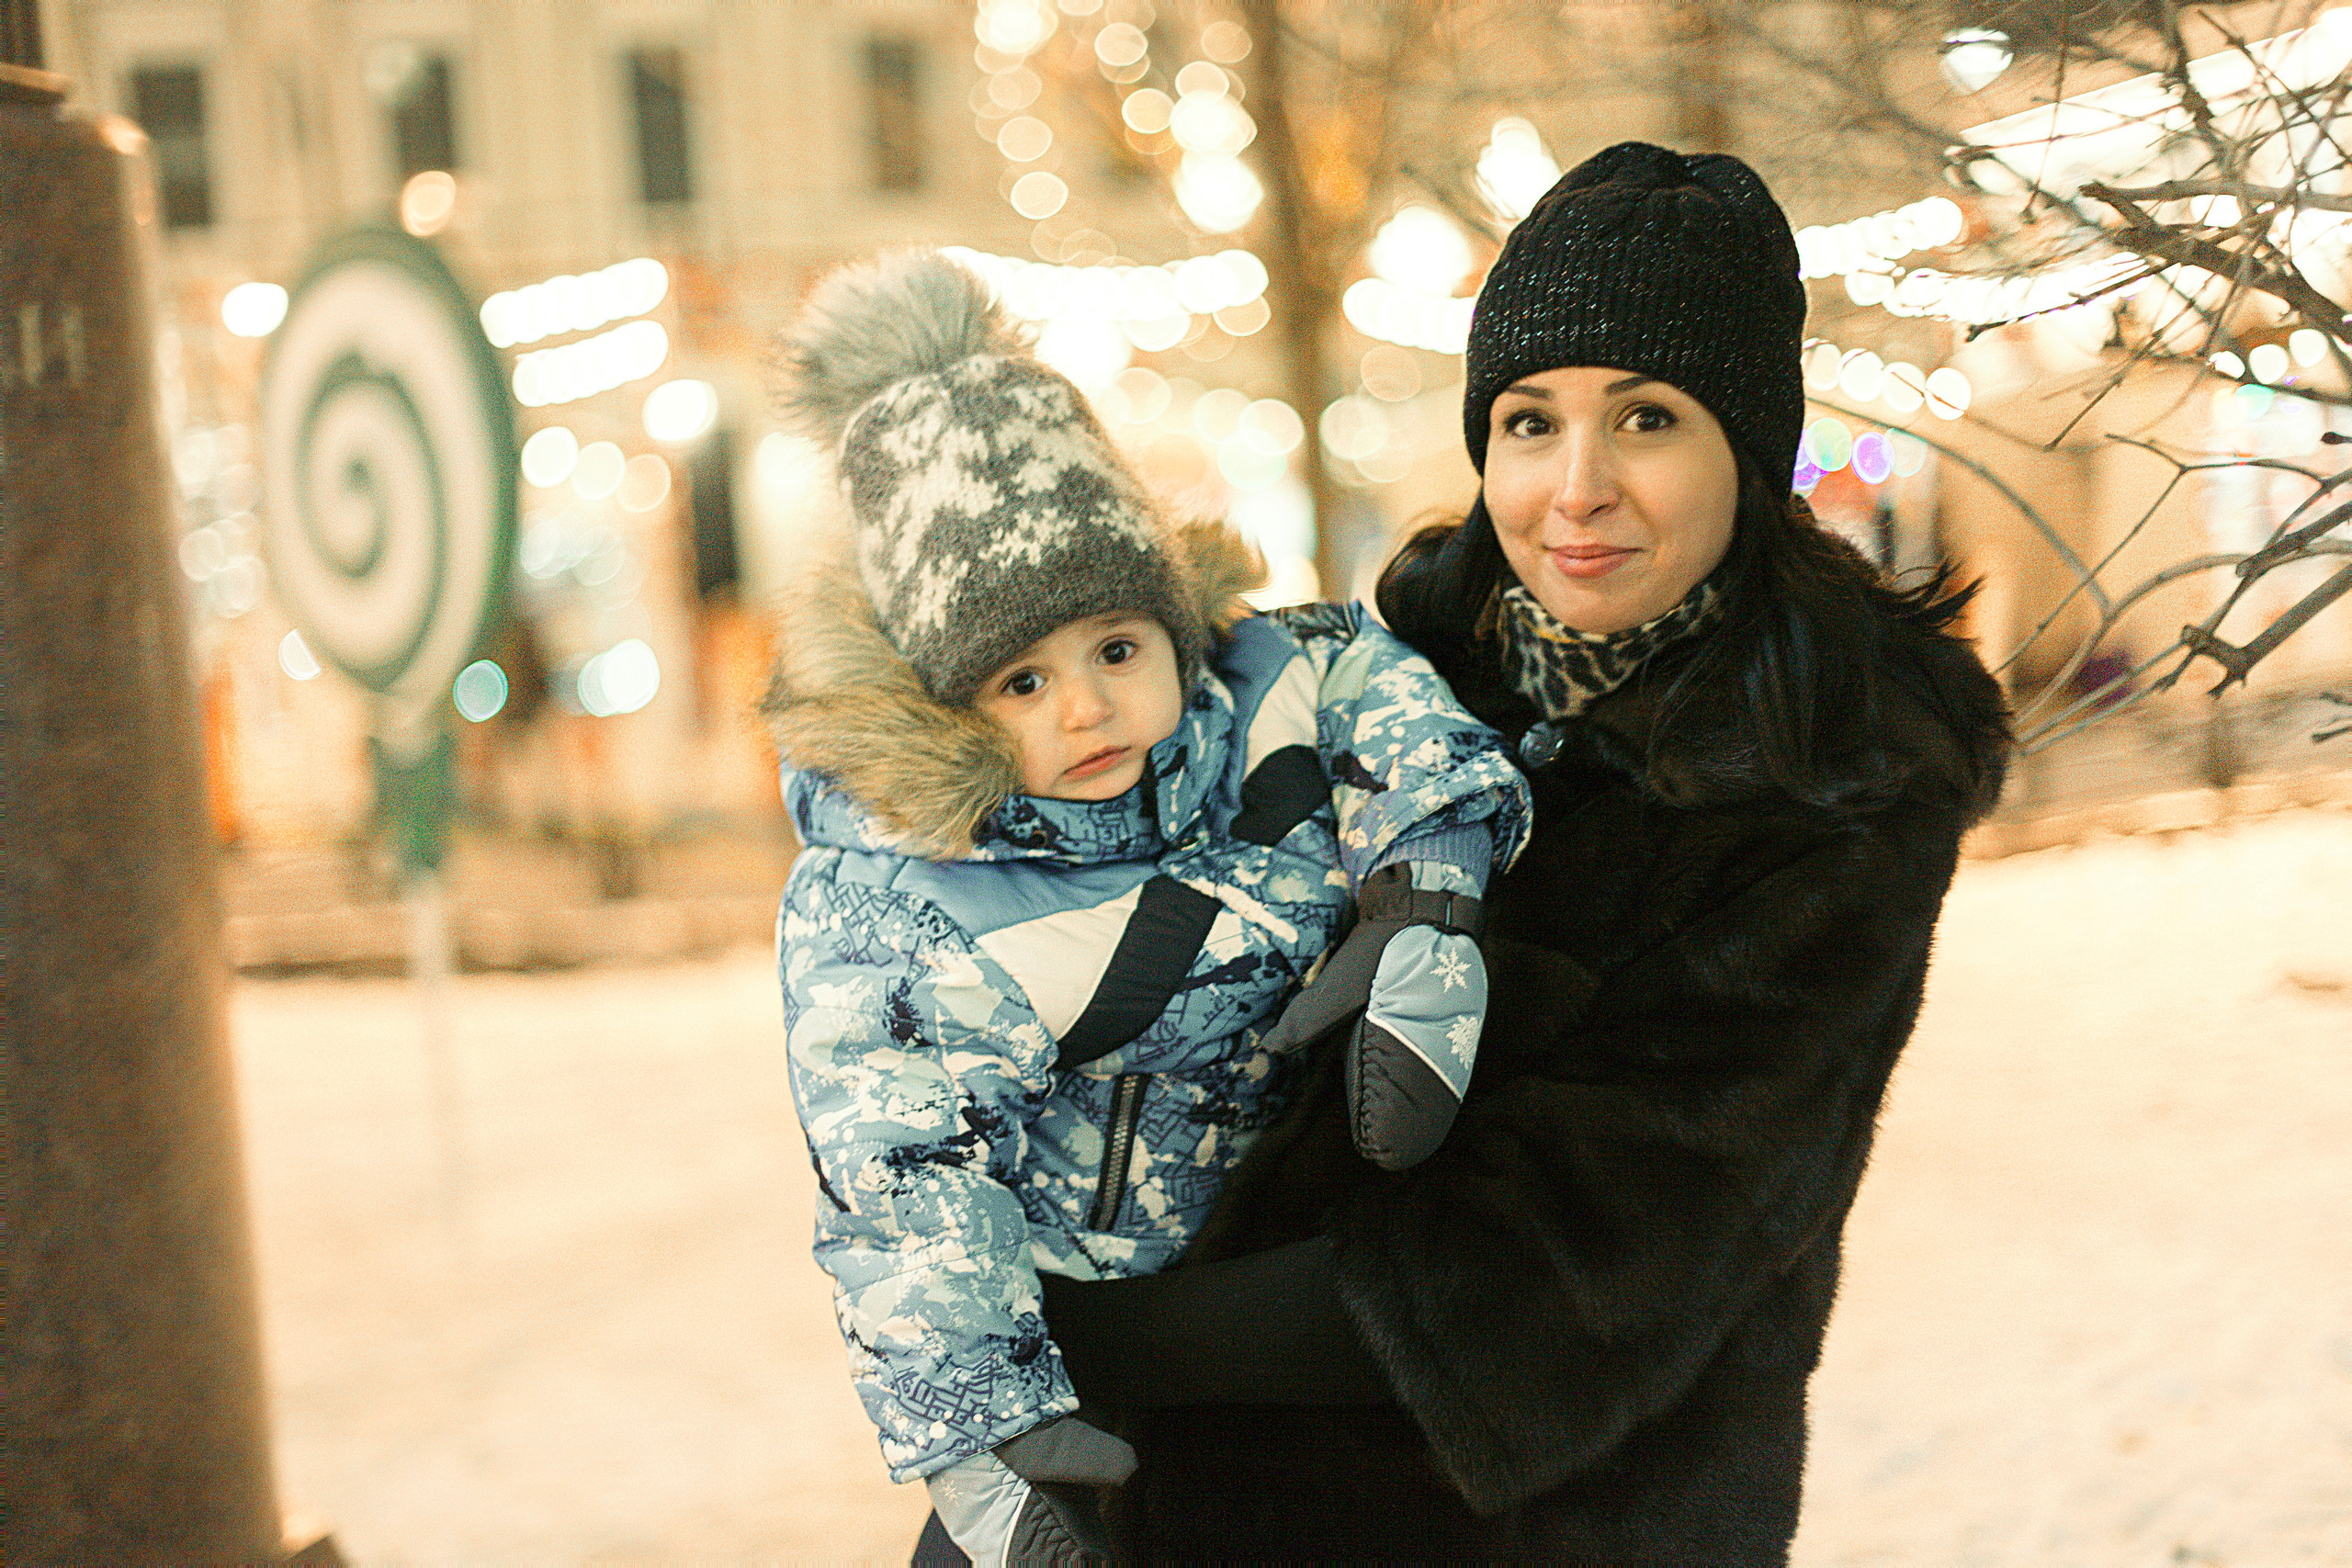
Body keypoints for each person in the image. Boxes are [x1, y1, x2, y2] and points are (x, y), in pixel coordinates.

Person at [1038, 141, 2015, 1561]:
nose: (1577, 489)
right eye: (1530, 421)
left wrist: (1099, 1332)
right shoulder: (1403, 682)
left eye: (1648, 420)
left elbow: (1564, 1274)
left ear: (1745, 448)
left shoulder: (1834, 785)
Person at [761, 252, 1532, 1565]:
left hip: (1287, 1301)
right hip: (1076, 1326)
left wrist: (1428, 897)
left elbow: (1391, 709)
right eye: (1021, 681)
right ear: (948, 706)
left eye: (1117, 649)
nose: (1087, 708)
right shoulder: (897, 905)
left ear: (1174, 628)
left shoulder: (1273, 697)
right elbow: (898, 1178)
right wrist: (982, 1441)